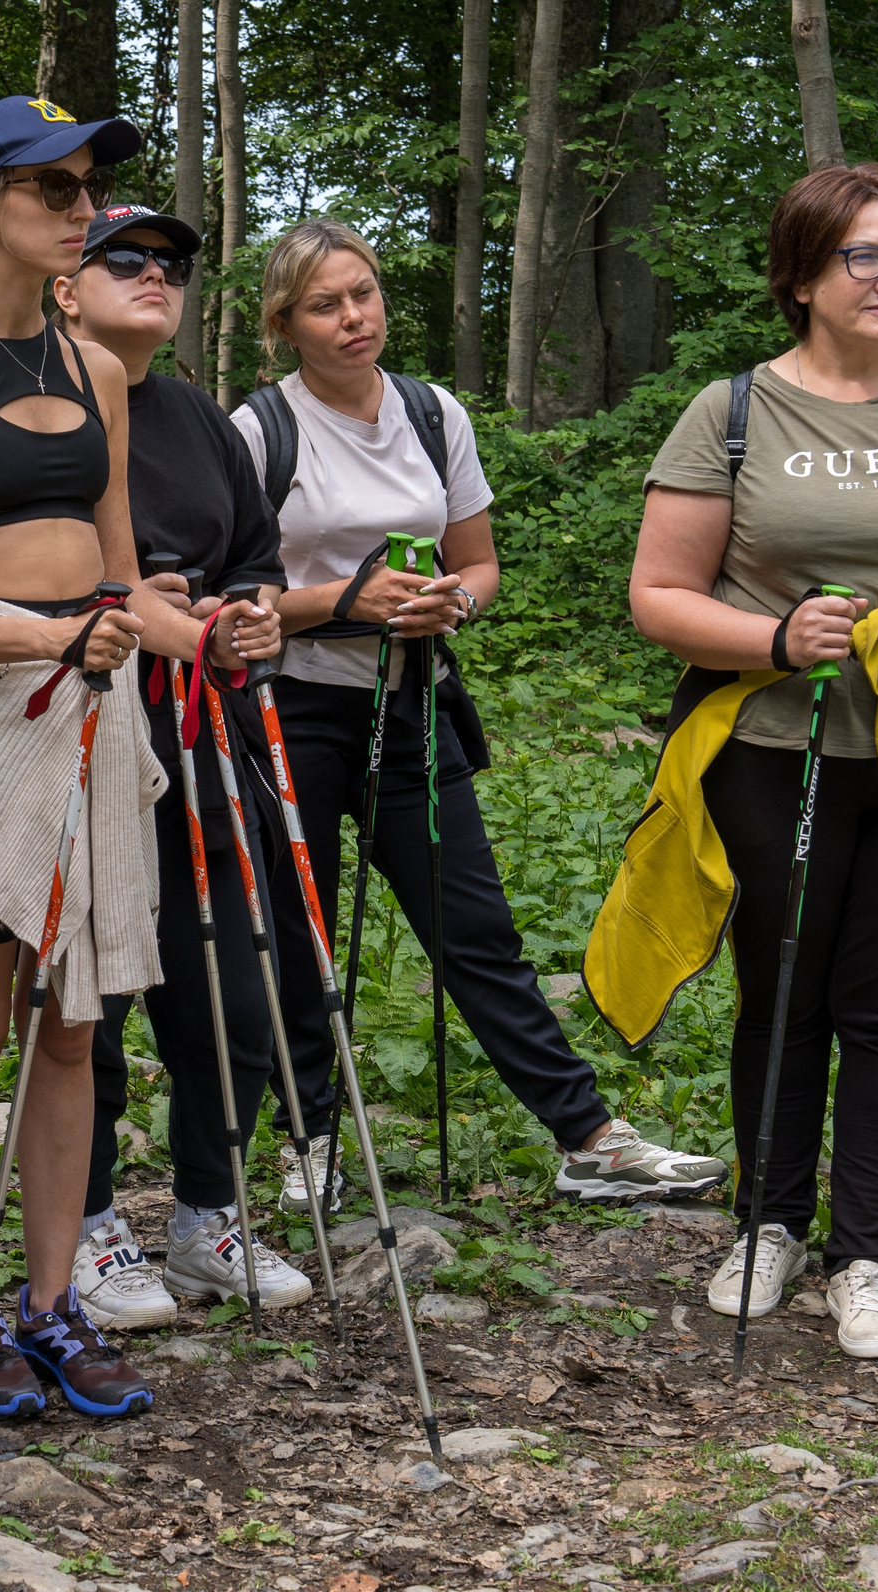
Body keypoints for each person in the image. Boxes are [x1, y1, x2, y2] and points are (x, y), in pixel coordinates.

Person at [587, 163, 878, 1360]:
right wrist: (770, 637)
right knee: (786, 984)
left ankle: (870, 1253)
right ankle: (768, 1220)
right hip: (772, 740)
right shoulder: (733, 411)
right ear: (802, 275)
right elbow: (657, 594)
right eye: (866, 257)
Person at [0, 98, 269, 1419]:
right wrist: (45, 635)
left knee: (79, 1021)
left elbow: (115, 579)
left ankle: (53, 1300)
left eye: (86, 185)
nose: (78, 208)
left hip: (101, 716)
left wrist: (200, 628)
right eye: (48, 186)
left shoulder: (95, 368)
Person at [229, 219, 724, 1215]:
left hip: (411, 700)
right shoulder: (255, 430)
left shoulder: (429, 411)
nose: (353, 318)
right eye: (325, 305)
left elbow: (479, 561)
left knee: (475, 928)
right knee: (298, 934)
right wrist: (344, 600)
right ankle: (310, 1135)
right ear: (284, 324)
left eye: (363, 294)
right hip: (290, 709)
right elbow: (229, 601)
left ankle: (585, 1137)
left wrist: (447, 602)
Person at [49, 203, 299, 1328]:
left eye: (174, 264)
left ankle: (208, 1213)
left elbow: (255, 565)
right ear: (65, 282)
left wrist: (253, 620)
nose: (158, 275)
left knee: (230, 985)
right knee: (92, 993)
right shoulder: (38, 408)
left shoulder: (198, 416)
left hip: (207, 724)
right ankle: (88, 1223)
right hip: (84, 725)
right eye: (127, 259)